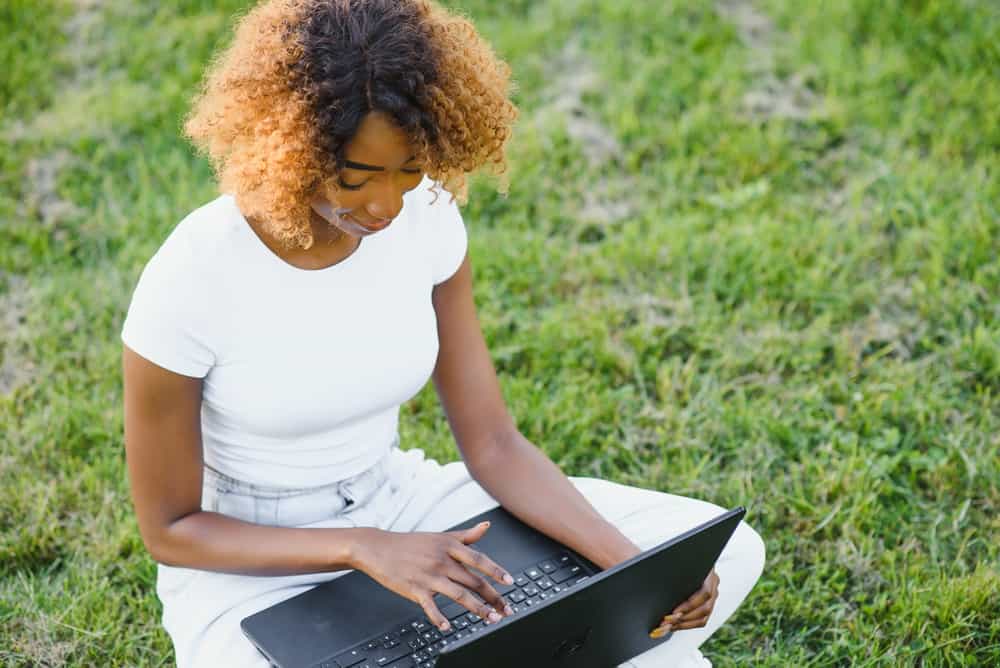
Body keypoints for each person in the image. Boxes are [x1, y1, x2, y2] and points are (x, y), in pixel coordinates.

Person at [120, 1, 765, 666]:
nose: (385, 206)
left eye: (409, 170)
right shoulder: (193, 276)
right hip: (252, 559)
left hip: (403, 502)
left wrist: (635, 568)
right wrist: (361, 546)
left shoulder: (426, 224)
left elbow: (493, 443)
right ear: (291, 147)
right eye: (356, 178)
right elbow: (172, 530)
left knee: (730, 552)